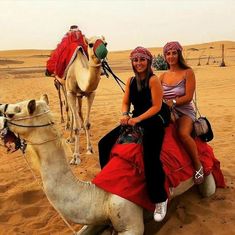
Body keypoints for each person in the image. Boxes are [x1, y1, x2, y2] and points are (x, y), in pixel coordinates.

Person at [98, 46, 170, 222]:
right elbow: (125, 102)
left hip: (156, 117)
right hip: (136, 116)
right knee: (104, 144)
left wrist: (137, 120)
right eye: (135, 60)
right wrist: (124, 115)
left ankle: (160, 199)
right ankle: (110, 184)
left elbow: (156, 107)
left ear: (148, 61)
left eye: (142, 59)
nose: (139, 63)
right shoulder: (130, 81)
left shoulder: (153, 80)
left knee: (150, 156)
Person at [159, 41, 204, 184]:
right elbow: (157, 96)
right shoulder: (162, 76)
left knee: (183, 134)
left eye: (174, 53)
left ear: (179, 54)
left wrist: (172, 102)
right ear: (165, 56)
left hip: (184, 111)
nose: (171, 56)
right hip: (167, 111)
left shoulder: (188, 72)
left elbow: (188, 97)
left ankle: (198, 166)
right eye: (168, 53)